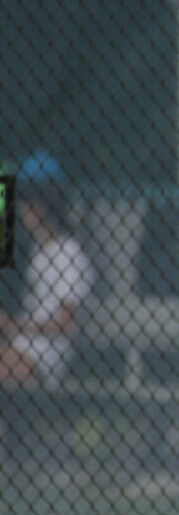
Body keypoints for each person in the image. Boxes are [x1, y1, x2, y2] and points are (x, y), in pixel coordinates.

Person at [0, 151, 94, 387]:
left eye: (28, 202)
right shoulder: (39, 252)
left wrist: (11, 324)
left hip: (42, 356)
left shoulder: (68, 253)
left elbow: (67, 324)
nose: (22, 211)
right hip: (20, 345)